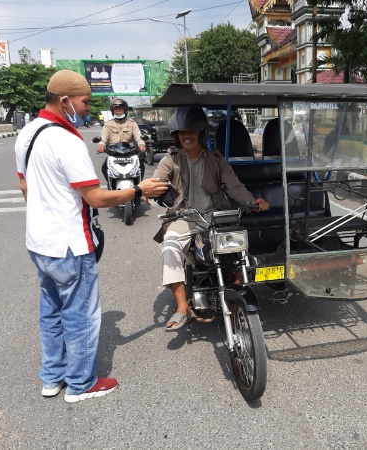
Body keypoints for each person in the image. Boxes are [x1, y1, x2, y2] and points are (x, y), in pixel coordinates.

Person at [14, 70, 168, 403]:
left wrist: (46, 213)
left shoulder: (26, 134)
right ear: (65, 100)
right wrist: (139, 190)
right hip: (69, 245)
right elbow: (96, 198)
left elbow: (25, 186)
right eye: (85, 102)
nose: (88, 109)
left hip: (39, 243)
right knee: (80, 315)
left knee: (51, 311)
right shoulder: (67, 141)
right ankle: (81, 384)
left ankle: (52, 378)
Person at [152, 106, 270, 331]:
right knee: (169, 247)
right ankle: (181, 307)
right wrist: (152, 190)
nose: (186, 136)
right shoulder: (171, 160)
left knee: (237, 248)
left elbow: (234, 185)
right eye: (181, 132)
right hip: (184, 217)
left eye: (192, 131)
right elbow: (158, 180)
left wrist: (251, 201)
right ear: (176, 135)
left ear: (200, 133)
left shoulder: (216, 160)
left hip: (215, 216)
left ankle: (237, 292)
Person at [97, 98, 149, 203]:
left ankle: (139, 185)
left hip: (130, 153)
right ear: (113, 111)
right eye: (116, 109)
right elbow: (104, 137)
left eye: (120, 108)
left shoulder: (132, 123)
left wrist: (141, 144)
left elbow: (138, 137)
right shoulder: (108, 124)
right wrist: (101, 145)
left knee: (141, 166)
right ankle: (110, 186)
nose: (118, 111)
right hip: (114, 153)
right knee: (104, 167)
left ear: (125, 110)